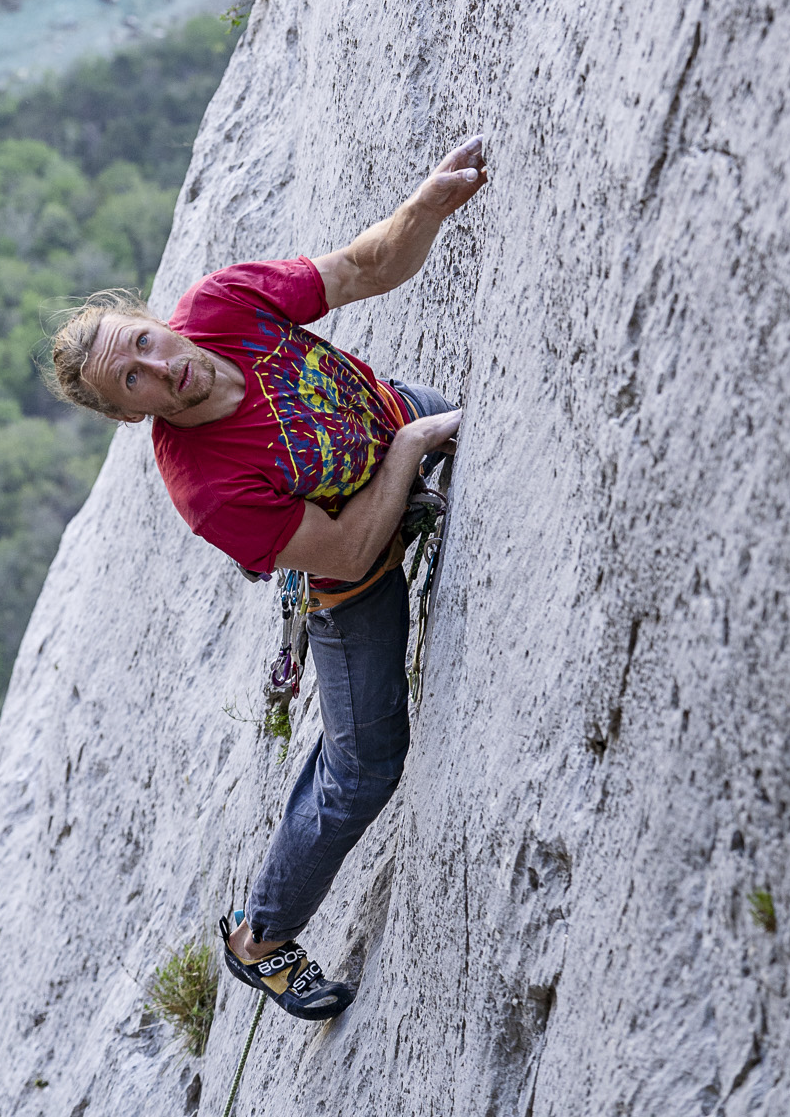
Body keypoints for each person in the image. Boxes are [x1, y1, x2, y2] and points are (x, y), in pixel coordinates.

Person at [46, 135, 487, 1021]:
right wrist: (406, 448)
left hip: (390, 424)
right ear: (129, 414)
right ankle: (260, 939)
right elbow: (351, 552)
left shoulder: (224, 304)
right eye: (133, 380)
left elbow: (363, 267)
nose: (161, 368)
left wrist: (428, 205)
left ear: (157, 316)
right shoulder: (204, 487)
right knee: (363, 767)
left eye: (144, 341)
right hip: (346, 559)